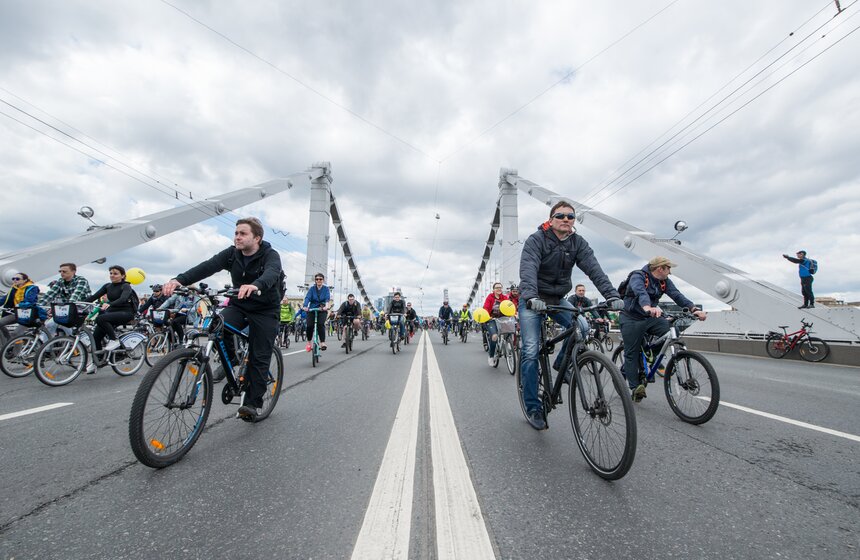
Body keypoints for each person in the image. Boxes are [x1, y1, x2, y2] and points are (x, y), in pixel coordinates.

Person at [162, 217, 283, 422]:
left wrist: (256, 285)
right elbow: (207, 267)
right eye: (236, 233)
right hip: (239, 305)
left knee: (259, 356)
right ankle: (232, 359)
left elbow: (273, 272)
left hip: (265, 309)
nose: (237, 237)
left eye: (243, 233)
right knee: (216, 326)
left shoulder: (270, 255)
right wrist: (179, 280)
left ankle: (252, 403)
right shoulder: (231, 254)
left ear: (257, 238)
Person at [519, 201, 623, 430]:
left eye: (571, 216)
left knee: (583, 327)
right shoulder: (536, 240)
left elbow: (595, 270)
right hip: (532, 299)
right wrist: (530, 296)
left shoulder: (577, 243)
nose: (566, 219)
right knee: (529, 351)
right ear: (551, 219)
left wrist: (611, 295)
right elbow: (528, 269)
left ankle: (561, 365)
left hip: (557, 299)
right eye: (561, 215)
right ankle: (533, 407)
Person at [619, 256, 707, 402]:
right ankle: (635, 388)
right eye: (668, 268)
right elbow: (640, 292)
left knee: (670, 332)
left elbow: (677, 295)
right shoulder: (638, 276)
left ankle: (653, 357)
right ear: (660, 268)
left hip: (649, 317)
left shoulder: (664, 282)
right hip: (631, 318)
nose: (670, 272)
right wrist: (647, 306)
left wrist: (694, 308)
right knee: (631, 353)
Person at [85, 266, 137, 370]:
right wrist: (77, 303)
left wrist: (109, 304)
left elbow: (123, 299)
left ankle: (114, 340)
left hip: (126, 312)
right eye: (111, 273)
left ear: (122, 276)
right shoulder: (107, 286)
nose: (112, 275)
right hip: (112, 312)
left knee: (101, 318)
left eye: (115, 273)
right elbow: (93, 297)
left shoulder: (126, 286)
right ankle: (97, 362)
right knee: (96, 337)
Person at [482, 282, 509, 366]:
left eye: (500, 287)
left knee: (510, 331)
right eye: (497, 287)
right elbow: (486, 308)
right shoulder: (490, 297)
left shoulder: (504, 297)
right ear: (493, 289)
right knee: (494, 336)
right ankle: (491, 355)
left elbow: (509, 306)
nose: (499, 289)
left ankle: (508, 345)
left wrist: (514, 313)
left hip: (502, 318)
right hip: (491, 319)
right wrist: (487, 316)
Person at [303, 273, 331, 350]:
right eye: (317, 279)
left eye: (320, 279)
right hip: (312, 309)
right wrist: (305, 306)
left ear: (323, 280)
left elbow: (327, 298)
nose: (318, 280)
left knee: (320, 324)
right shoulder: (312, 289)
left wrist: (326, 306)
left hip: (322, 309)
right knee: (309, 326)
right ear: (315, 280)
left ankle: (322, 342)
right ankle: (309, 342)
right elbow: (308, 297)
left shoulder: (326, 289)